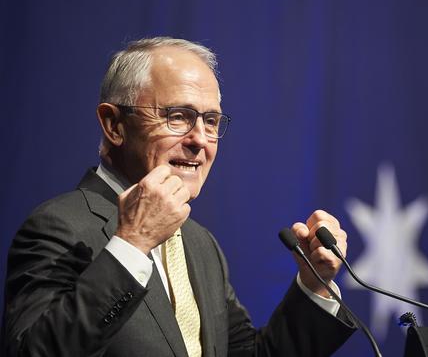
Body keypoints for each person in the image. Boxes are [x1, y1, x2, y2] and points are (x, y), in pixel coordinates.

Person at [2, 37, 355, 357]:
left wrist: (313, 286)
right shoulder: (59, 227)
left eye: (212, 121)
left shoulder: (201, 245)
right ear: (114, 125)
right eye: (178, 116)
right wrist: (132, 244)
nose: (200, 139)